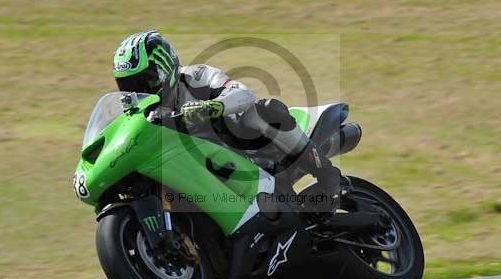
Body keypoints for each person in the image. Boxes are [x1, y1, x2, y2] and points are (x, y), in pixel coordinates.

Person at [112, 30, 347, 201]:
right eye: (128, 84)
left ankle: (329, 177)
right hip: (201, 174)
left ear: (164, 69)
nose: (136, 90)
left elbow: (245, 94)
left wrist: (212, 107)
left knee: (263, 111)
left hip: (247, 149)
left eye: (143, 81)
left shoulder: (196, 77)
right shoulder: (139, 114)